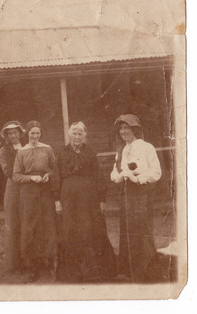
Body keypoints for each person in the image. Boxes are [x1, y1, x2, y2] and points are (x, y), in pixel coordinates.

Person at [55, 122, 117, 282]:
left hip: (89, 199)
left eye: (80, 134)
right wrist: (57, 200)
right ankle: (72, 273)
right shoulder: (62, 152)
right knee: (70, 231)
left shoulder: (90, 152)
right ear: (70, 135)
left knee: (90, 230)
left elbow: (98, 176)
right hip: (68, 198)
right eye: (74, 134)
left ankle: (94, 271)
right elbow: (57, 177)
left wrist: (102, 199)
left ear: (84, 136)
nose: (77, 137)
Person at [110, 114, 162, 282]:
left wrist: (137, 178)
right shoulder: (122, 150)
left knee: (142, 230)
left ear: (135, 129)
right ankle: (130, 272)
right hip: (126, 193)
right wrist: (117, 176)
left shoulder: (147, 147)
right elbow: (115, 170)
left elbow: (156, 172)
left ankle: (147, 273)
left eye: (127, 128)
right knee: (127, 230)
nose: (124, 131)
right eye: (121, 128)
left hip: (141, 193)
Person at [13, 121, 57, 282]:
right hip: (28, 193)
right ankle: (31, 267)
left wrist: (48, 176)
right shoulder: (21, 152)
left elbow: (54, 168)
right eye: (32, 133)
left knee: (47, 226)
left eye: (38, 133)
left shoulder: (47, 149)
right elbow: (16, 175)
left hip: (44, 192)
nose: (35, 136)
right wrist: (31, 177)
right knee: (29, 227)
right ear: (27, 134)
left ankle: (48, 264)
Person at [0, 120, 25, 273]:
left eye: (15, 132)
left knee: (26, 223)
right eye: (10, 133)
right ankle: (13, 264)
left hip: (27, 189)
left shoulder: (27, 147)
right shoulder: (3, 151)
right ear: (7, 136)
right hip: (13, 189)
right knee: (13, 224)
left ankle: (27, 260)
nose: (13, 135)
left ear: (20, 133)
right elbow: (8, 171)